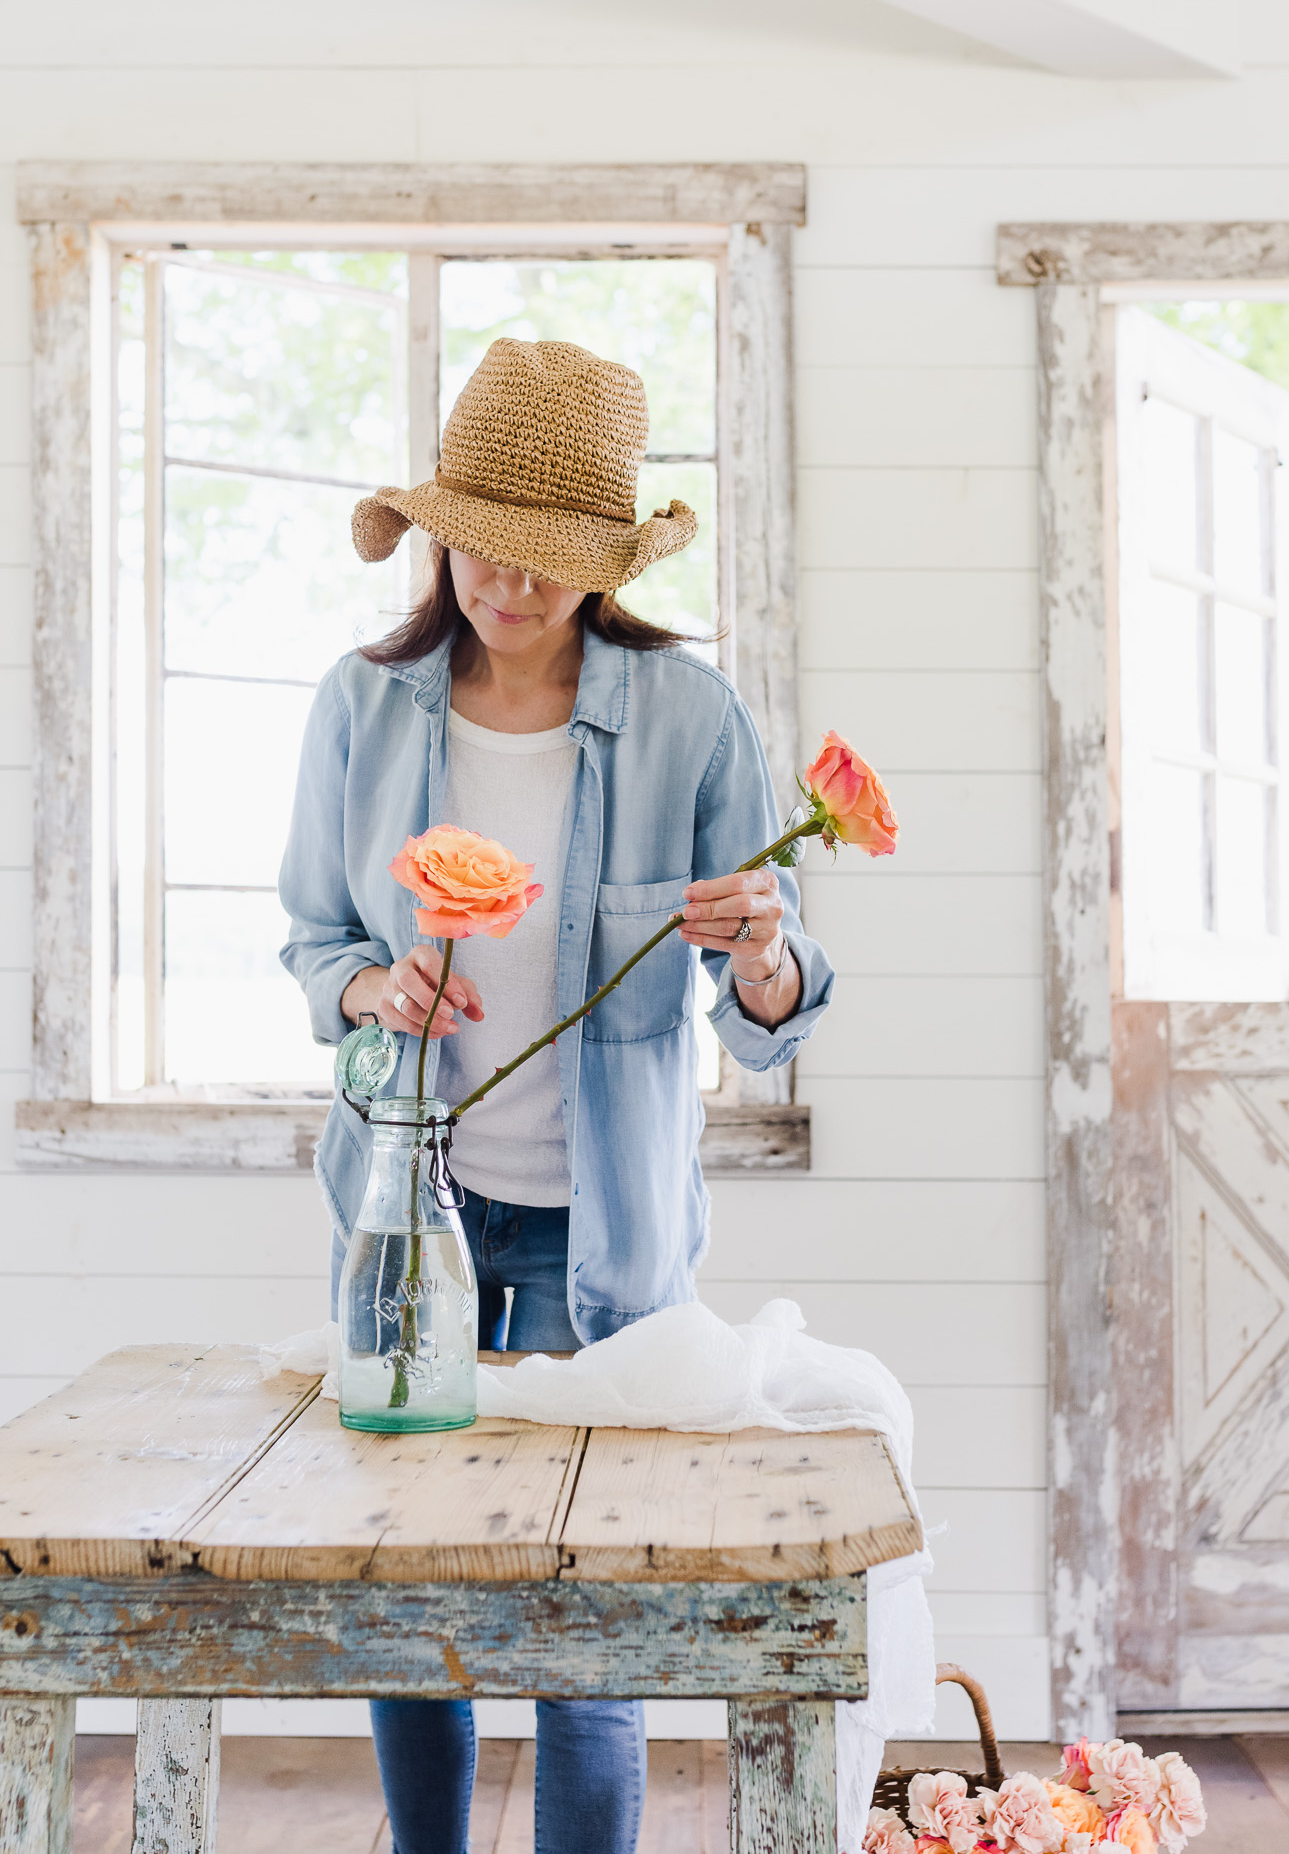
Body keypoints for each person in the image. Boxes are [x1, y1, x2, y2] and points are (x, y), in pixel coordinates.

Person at [279, 337, 834, 1854]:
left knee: (590, 1631)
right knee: (411, 1605)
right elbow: (314, 938)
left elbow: (772, 1005)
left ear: (605, 566)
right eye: (485, 553)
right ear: (441, 532)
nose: (509, 591)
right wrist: (371, 991)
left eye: (550, 565)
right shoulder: (362, 704)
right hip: (412, 1224)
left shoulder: (689, 718)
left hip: (611, 1243)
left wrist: (770, 953)